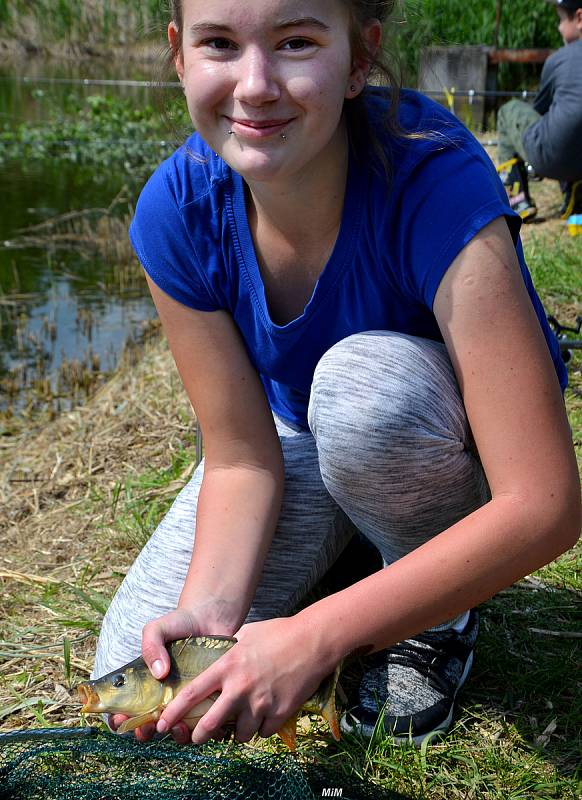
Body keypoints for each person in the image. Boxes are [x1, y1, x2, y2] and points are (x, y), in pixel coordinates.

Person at [92, 0, 581, 748]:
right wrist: (207, 620)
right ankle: (358, 546)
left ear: (359, 59)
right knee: (129, 668)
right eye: (219, 43)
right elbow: (242, 458)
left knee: (364, 389)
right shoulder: (176, 210)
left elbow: (545, 504)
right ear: (179, 55)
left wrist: (319, 636)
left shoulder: (433, 177)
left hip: (437, 442)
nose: (255, 85)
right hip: (307, 441)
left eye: (295, 42)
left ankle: (433, 607)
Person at [497, 0, 582, 226]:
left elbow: (538, 112)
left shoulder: (558, 59)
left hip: (555, 157)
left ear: (580, 18)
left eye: (562, 20)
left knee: (509, 111)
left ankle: (518, 200)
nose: (558, 28)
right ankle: (575, 191)